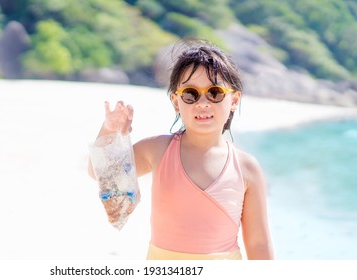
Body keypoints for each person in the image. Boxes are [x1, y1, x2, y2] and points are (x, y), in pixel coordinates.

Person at [88, 39, 274, 260]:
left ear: (234, 99)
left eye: (215, 93)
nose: (202, 103)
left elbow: (258, 242)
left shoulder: (246, 168)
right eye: (190, 94)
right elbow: (102, 174)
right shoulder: (157, 150)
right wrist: (110, 131)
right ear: (176, 102)